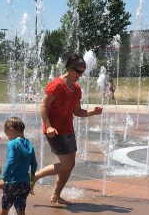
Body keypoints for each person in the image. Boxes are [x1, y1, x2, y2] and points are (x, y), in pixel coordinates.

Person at [32, 54, 102, 205]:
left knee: (70, 165)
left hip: (68, 129)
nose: (80, 75)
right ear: (70, 69)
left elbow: (77, 111)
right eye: (79, 72)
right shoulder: (57, 85)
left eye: (83, 72)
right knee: (66, 164)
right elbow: (43, 106)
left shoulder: (76, 89)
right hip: (54, 130)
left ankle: (56, 195)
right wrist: (48, 126)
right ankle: (34, 177)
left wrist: (93, 112)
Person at [0, 117, 37, 215]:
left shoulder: (12, 144)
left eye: (7, 134)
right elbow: (34, 164)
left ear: (11, 130)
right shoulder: (29, 144)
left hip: (11, 183)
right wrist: (31, 181)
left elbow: (11, 160)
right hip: (24, 183)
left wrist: (3, 177)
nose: (8, 137)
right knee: (21, 210)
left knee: (5, 208)